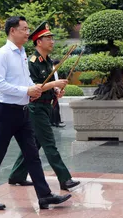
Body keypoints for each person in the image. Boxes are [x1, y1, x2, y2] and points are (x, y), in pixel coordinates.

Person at [0, 16, 71, 211]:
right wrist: (25, 91)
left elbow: (26, 79)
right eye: (24, 29)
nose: (28, 32)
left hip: (23, 111)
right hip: (5, 112)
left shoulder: (22, 53)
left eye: (28, 29)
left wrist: (34, 90)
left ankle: (44, 196)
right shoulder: (2, 54)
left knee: (32, 155)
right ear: (12, 30)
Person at [8, 21, 80, 191]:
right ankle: (65, 178)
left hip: (47, 106)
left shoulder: (48, 62)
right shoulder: (31, 62)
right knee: (49, 143)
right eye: (48, 38)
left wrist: (56, 89)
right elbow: (33, 86)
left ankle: (16, 175)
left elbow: (47, 86)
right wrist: (53, 83)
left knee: (34, 143)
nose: (52, 41)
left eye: (52, 38)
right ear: (38, 42)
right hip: (35, 108)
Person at [50, 59, 66, 128]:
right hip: (53, 89)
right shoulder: (52, 69)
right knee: (55, 106)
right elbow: (54, 81)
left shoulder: (54, 69)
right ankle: (56, 122)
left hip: (54, 88)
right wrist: (56, 89)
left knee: (55, 106)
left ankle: (55, 121)